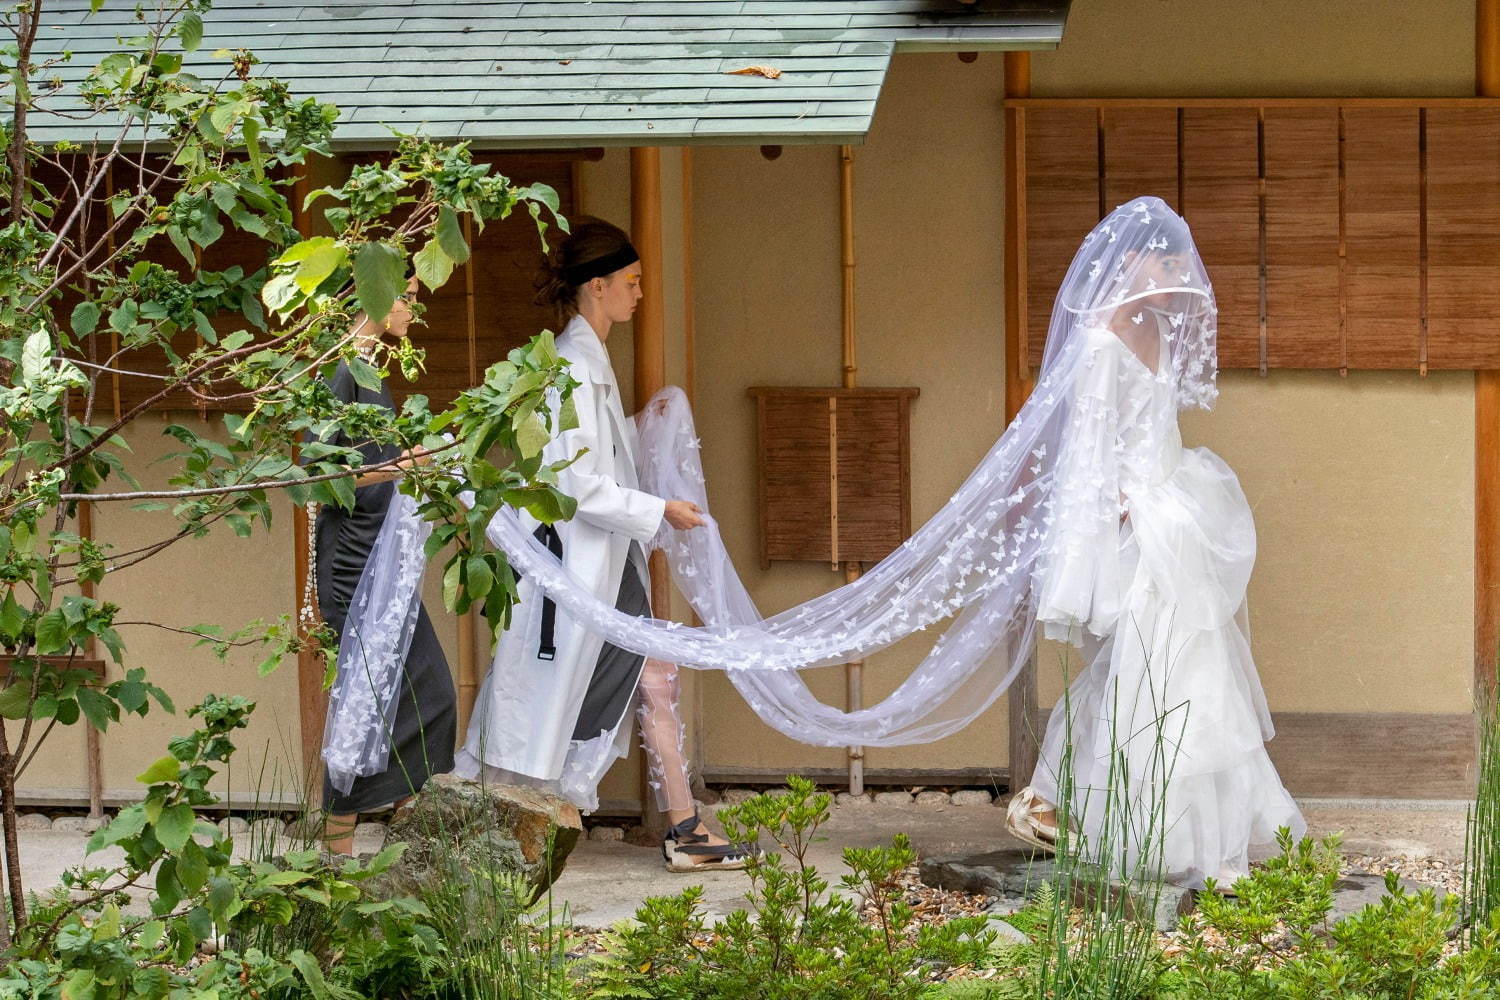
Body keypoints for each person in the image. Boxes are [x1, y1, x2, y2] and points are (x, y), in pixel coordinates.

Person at [1003, 197, 1305, 889]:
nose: (1179, 276)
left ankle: (1120, 816)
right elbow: (1088, 445)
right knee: (1143, 663)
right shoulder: (1101, 341)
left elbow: (1161, 425)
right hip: (1133, 521)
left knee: (1180, 663)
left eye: (1181, 264)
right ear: (1131, 261)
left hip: (1177, 509)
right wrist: (1113, 517)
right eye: (1167, 264)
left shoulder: (1160, 333)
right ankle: (1088, 809)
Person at [457, 219, 752, 873]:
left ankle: (682, 827)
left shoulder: (587, 360)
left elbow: (593, 456)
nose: (640, 294)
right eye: (633, 282)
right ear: (598, 286)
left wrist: (644, 427)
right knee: (614, 683)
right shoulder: (568, 367)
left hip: (605, 556)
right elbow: (574, 481)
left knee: (652, 674)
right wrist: (660, 508)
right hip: (580, 558)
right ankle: (664, 829)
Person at [309, 280, 456, 856]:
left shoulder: (368, 367)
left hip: (381, 556)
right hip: (353, 559)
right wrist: (402, 466)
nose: (413, 308)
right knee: (367, 705)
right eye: (405, 294)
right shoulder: (341, 367)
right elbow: (319, 474)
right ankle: (336, 862)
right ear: (370, 289)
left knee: (426, 698)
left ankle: (406, 854)